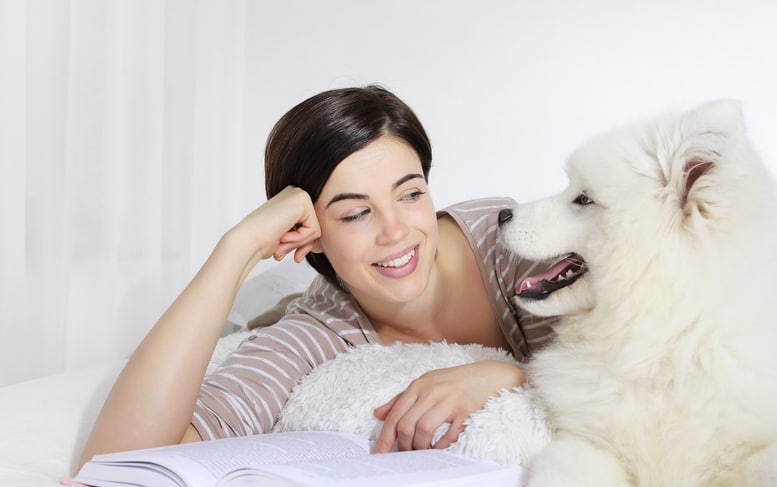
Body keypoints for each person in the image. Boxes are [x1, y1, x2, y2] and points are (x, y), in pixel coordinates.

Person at [80, 85, 556, 467]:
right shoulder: (319, 328)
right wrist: (237, 249)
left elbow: (623, 380)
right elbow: (117, 462)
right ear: (308, 232)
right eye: (354, 214)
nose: (395, 232)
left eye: (410, 195)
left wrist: (508, 373)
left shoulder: (517, 246)